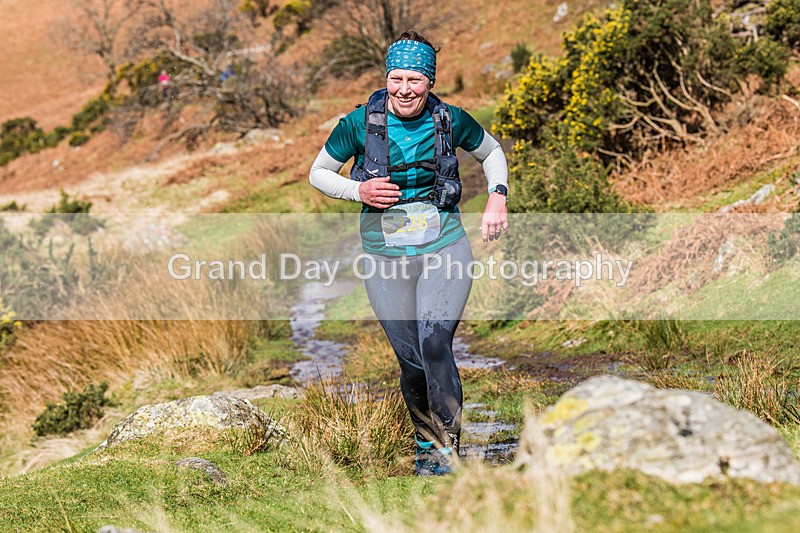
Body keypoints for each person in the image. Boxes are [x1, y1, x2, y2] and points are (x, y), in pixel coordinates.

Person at [309, 31, 509, 476]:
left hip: (445, 246)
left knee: (435, 343)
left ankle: (446, 453)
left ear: (430, 82)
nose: (404, 89)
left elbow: (491, 152)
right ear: (386, 77)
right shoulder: (358, 123)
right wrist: (357, 188)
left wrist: (498, 195)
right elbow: (318, 173)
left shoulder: (451, 120)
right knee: (412, 361)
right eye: (396, 78)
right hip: (384, 256)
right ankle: (425, 444)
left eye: (415, 80)